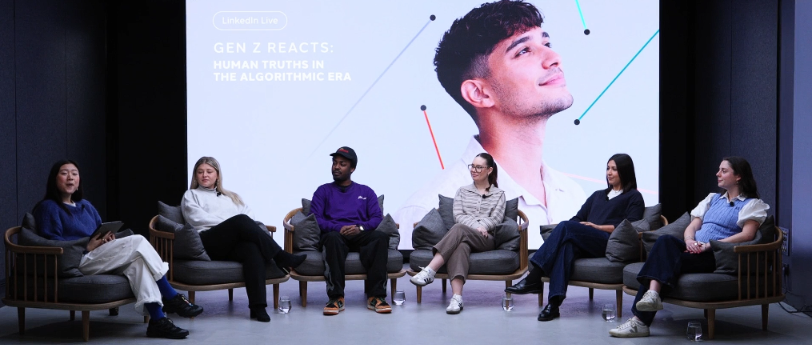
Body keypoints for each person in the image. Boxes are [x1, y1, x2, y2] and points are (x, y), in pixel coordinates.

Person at [395, 0, 586, 248]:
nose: (554, 57)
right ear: (479, 93)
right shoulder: (424, 213)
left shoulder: (572, 196)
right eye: (524, 51)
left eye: (546, 43)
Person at [34, 160, 202, 339]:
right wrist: (86, 246)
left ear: (79, 181)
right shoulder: (48, 207)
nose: (70, 178)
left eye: (74, 173)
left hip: (96, 256)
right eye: (64, 173)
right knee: (138, 240)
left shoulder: (86, 206)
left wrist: (106, 239)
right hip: (76, 260)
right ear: (54, 179)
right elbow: (54, 243)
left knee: (138, 263)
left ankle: (158, 321)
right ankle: (170, 295)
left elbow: (98, 231)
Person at [609, 157, 769, 338]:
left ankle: (640, 322)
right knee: (665, 241)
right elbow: (693, 226)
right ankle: (652, 295)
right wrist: (689, 240)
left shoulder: (752, 204)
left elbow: (747, 235)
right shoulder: (713, 199)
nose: (718, 174)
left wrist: (710, 245)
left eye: (724, 171)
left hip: (713, 255)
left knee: (664, 260)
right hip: (694, 249)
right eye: (719, 169)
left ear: (738, 176)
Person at [506, 154, 645, 321]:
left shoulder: (634, 196)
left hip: (607, 241)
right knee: (566, 245)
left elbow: (632, 225)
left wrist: (598, 227)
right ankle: (553, 305)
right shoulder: (597, 195)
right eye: (608, 168)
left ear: (625, 171)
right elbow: (577, 219)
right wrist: (575, 229)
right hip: (587, 241)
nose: (609, 172)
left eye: (614, 169)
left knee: (565, 226)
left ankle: (534, 276)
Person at [181, 156, 305, 322]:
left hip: (231, 243)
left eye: (209, 171)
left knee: (251, 249)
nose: (205, 175)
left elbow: (250, 216)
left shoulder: (230, 197)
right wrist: (230, 224)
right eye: (200, 172)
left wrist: (234, 226)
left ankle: (258, 307)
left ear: (217, 175)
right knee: (239, 221)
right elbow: (197, 219)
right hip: (208, 241)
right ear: (195, 176)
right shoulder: (191, 195)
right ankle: (280, 256)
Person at [410, 153, 506, 314]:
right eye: (472, 166)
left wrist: (482, 226)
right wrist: (476, 225)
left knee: (459, 229)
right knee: (460, 245)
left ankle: (430, 270)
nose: (474, 170)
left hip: (486, 239)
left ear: (489, 170)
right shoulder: (462, 191)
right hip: (467, 234)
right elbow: (458, 216)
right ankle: (457, 298)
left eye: (478, 167)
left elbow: (496, 218)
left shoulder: (498, 194)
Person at [310, 146, 391, 315]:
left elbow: (376, 218)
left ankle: (376, 297)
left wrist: (359, 228)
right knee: (331, 238)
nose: (336, 167)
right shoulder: (322, 191)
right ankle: (336, 298)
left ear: (352, 168)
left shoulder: (366, 192)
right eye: (334, 163)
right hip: (335, 235)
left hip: (359, 234)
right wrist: (338, 228)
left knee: (380, 237)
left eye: (342, 164)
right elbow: (316, 218)